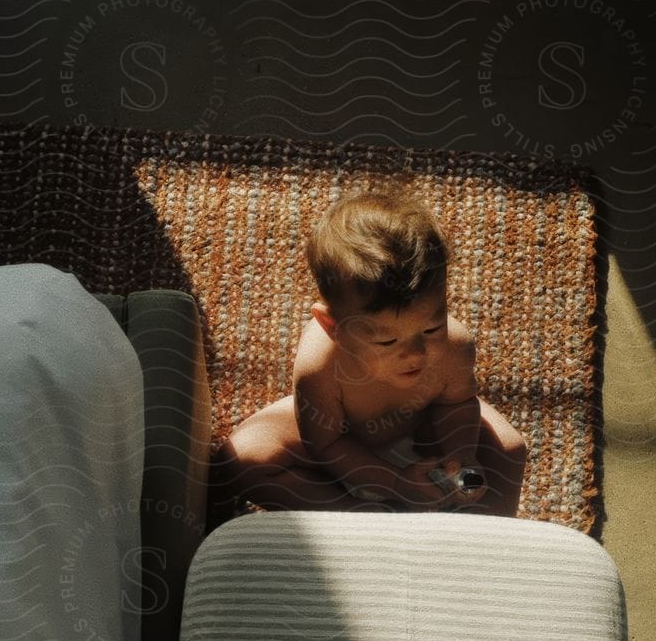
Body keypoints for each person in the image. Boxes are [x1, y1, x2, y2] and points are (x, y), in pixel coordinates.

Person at [214, 188, 528, 516]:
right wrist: (395, 484)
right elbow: (326, 444)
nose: (417, 353)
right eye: (386, 342)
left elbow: (457, 404)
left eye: (431, 328)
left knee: (510, 449)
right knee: (242, 457)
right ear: (332, 326)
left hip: (423, 430)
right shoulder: (320, 367)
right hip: (346, 442)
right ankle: (359, 516)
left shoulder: (454, 345)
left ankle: (482, 537)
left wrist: (459, 459)